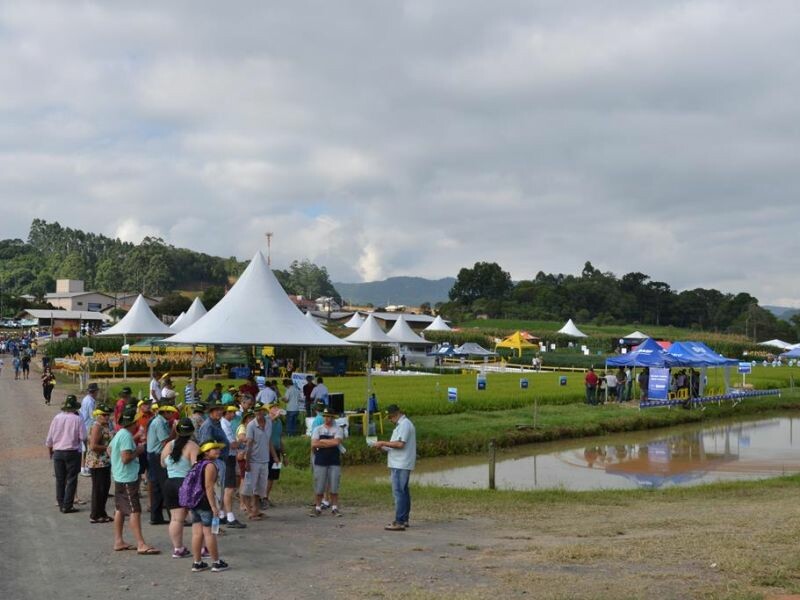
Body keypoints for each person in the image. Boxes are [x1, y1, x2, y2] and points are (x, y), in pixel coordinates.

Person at [108, 408, 160, 554]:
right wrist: (139, 450)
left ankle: (119, 540)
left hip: (119, 476)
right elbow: (125, 458)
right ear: (132, 422)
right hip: (127, 477)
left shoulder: (120, 434)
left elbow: (110, 450)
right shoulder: (126, 436)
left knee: (120, 509)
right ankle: (140, 543)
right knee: (134, 509)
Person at [372, 404, 416, 531]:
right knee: (403, 492)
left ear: (396, 414)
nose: (390, 420)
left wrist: (383, 442)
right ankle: (404, 519)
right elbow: (394, 445)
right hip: (398, 462)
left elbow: (400, 444)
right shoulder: (400, 426)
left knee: (399, 493)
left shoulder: (405, 425)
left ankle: (399, 521)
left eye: (390, 417)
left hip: (401, 464)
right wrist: (382, 447)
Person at [161, 418, 199, 559]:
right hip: (186, 483)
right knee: (196, 516)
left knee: (176, 519)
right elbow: (197, 467)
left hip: (170, 482)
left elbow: (163, 463)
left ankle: (178, 548)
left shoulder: (169, 445)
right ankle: (201, 548)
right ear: (192, 431)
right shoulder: (193, 446)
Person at [189, 441, 229, 572]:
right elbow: (208, 486)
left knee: (196, 533)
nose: (218, 451)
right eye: (214, 449)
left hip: (195, 502)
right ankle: (216, 562)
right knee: (210, 534)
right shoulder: (210, 466)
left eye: (218, 448)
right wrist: (214, 506)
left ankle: (197, 562)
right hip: (206, 502)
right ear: (206, 452)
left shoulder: (196, 464)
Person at [45, 395, 86, 513]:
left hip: (58, 451)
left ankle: (60, 501)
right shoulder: (77, 419)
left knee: (60, 479)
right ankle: (67, 505)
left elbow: (50, 438)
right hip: (72, 451)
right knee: (72, 479)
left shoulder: (57, 418)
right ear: (74, 408)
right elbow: (83, 436)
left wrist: (50, 452)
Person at [242, 402, 278, 520]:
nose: (258, 413)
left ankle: (256, 510)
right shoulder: (251, 425)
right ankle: (249, 510)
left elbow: (269, 441)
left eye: (260, 410)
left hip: (265, 460)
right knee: (249, 487)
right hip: (253, 460)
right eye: (256, 411)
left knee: (260, 488)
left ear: (264, 411)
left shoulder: (268, 423)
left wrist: (275, 456)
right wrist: (247, 461)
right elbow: (249, 444)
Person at [146, 402, 177, 525]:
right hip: (157, 455)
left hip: (154, 455)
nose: (172, 414)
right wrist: (174, 431)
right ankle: (172, 516)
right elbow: (165, 442)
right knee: (164, 485)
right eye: (169, 412)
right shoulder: (159, 423)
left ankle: (156, 516)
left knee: (157, 487)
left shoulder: (160, 421)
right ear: (164, 412)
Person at [310, 408, 344, 517]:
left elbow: (336, 442)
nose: (326, 419)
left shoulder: (338, 429)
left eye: (329, 416)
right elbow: (314, 444)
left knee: (334, 485)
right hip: (321, 460)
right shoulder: (317, 429)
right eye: (325, 416)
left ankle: (335, 507)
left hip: (334, 460)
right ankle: (317, 507)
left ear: (333, 417)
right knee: (319, 485)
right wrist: (329, 442)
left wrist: (322, 441)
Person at [220, 405, 246, 528]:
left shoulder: (225, 424)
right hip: (228, 457)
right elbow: (233, 444)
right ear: (227, 413)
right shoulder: (224, 424)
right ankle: (230, 516)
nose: (234, 415)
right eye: (232, 413)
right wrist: (241, 441)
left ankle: (222, 514)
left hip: (227, 456)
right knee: (229, 487)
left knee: (225, 487)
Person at [87, 404, 114, 523]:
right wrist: (108, 448)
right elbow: (93, 446)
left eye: (108, 414)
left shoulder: (106, 425)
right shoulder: (97, 426)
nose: (107, 417)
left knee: (104, 488)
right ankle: (95, 514)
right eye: (104, 415)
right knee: (99, 488)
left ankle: (102, 512)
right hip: (97, 462)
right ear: (98, 415)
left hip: (105, 461)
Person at [265, 402, 285, 507]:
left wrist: (284, 455)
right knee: (266, 475)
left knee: (273, 475)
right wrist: (275, 416)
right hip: (267, 451)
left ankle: (266, 497)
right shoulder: (267, 419)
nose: (277, 409)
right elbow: (265, 426)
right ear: (270, 409)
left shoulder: (279, 422)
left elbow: (281, 439)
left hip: (277, 450)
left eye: (278, 407)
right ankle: (262, 498)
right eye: (274, 407)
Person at [79, 382, 100, 477]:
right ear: (95, 392)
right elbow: (93, 416)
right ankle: (85, 468)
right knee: (87, 448)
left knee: (85, 448)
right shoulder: (90, 401)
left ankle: (84, 467)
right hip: (88, 426)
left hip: (85, 425)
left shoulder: (86, 399)